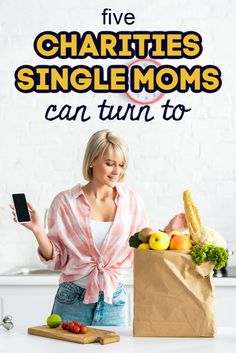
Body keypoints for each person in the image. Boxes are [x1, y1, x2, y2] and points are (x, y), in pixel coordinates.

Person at [10, 129, 187, 326]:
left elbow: (144, 248)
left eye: (121, 165)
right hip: (72, 300)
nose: (117, 171)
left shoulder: (132, 202)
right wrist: (37, 230)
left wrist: (168, 235)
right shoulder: (65, 202)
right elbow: (57, 260)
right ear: (92, 161)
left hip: (114, 301)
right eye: (110, 164)